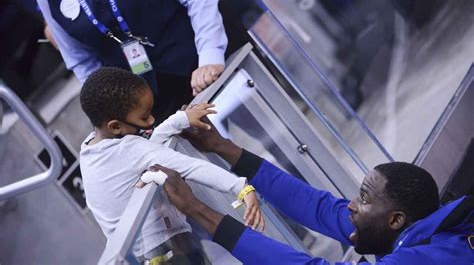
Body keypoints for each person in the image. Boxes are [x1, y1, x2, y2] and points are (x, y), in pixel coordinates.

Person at [150, 118, 474, 264]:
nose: (351, 205)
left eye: (363, 198)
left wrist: (199, 211)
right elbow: (318, 207)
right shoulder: (420, 230)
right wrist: (223, 147)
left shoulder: (423, 258)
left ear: (395, 220)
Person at [78, 67, 264, 262]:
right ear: (115, 126)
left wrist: (181, 119)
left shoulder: (91, 149)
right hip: (167, 252)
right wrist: (241, 188)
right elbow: (189, 166)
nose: (152, 120)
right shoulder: (129, 149)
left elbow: (145, 149)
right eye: (144, 117)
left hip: (144, 254)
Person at [37, 0, 227, 122]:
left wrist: (210, 53)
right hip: (145, 96)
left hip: (200, 56)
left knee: (249, 121)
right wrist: (116, 110)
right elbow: (82, 61)